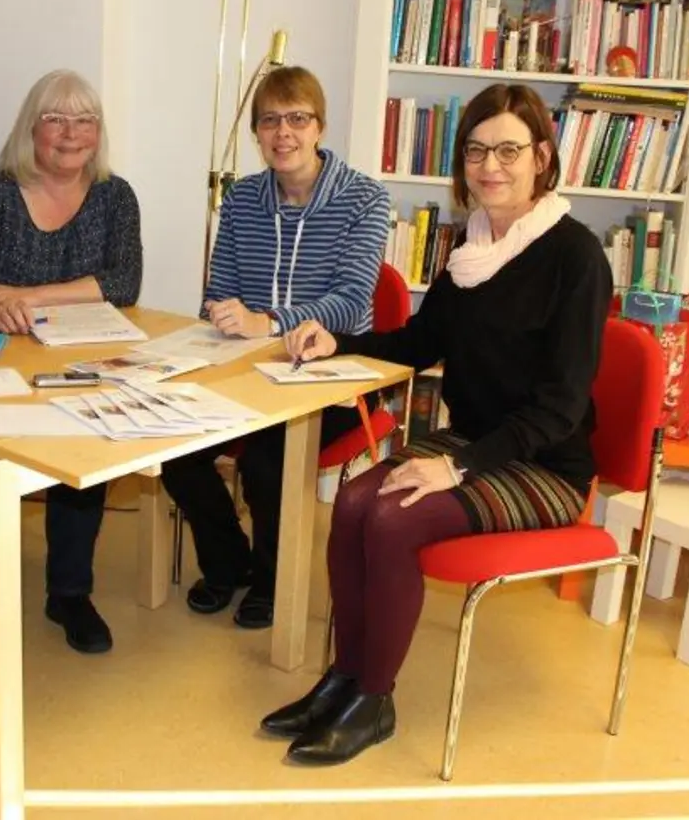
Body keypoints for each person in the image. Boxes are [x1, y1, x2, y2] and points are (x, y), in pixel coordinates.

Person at [265, 83, 612, 765]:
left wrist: (456, 466)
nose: (491, 166)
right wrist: (346, 342)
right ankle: (341, 679)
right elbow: (423, 341)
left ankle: (374, 699)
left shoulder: (576, 257)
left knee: (395, 516)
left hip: (546, 463)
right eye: (477, 150)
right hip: (477, 443)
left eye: (509, 149)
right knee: (354, 499)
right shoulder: (472, 245)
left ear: (542, 156)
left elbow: (561, 407)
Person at [159, 66, 389, 630]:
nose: (283, 132)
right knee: (172, 449)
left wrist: (270, 322)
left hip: (333, 378)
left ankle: (270, 579)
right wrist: (222, 313)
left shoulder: (365, 199)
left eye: (297, 118)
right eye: (270, 120)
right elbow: (220, 291)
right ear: (257, 133)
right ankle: (228, 562)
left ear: (320, 127)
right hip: (245, 373)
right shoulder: (241, 199)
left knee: (267, 460)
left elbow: (351, 298)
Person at [0, 69, 142, 655]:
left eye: (84, 120)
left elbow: (124, 282)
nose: (71, 133)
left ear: (98, 134)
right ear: (32, 129)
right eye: (56, 119)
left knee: (88, 449)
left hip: (82, 360)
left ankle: (69, 593)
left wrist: (25, 296)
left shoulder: (115, 195)